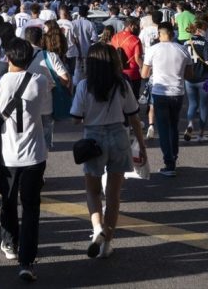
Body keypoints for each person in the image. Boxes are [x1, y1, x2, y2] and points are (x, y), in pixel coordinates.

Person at [70, 42, 145, 261]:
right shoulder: (122, 84)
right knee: (113, 194)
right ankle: (107, 243)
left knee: (92, 190)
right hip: (119, 136)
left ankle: (96, 229)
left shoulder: (85, 86)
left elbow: (75, 119)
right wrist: (141, 143)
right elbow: (133, 116)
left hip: (93, 139)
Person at [0, 38, 49, 282]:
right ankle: (27, 261)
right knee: (32, 207)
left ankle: (10, 243)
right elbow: (44, 107)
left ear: (8, 58)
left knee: (8, 202)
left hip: (7, 155)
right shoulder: (39, 81)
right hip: (34, 154)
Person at [141, 22, 191, 177]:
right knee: (173, 126)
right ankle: (173, 157)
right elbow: (189, 75)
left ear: (160, 33)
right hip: (177, 92)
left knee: (163, 128)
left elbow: (144, 74)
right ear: (172, 33)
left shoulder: (153, 50)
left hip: (160, 92)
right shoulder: (183, 50)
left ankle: (169, 163)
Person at [183, 19, 208, 143]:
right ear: (200, 29)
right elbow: (207, 61)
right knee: (204, 106)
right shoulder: (205, 42)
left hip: (189, 78)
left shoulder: (186, 43)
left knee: (192, 104)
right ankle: (201, 134)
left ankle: (190, 124)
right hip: (204, 78)